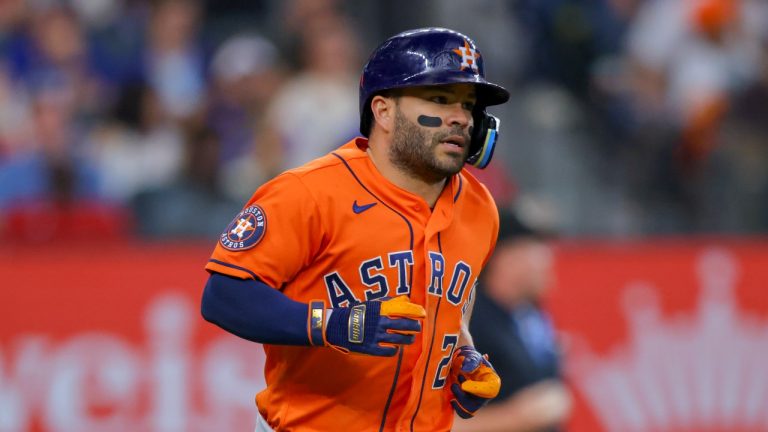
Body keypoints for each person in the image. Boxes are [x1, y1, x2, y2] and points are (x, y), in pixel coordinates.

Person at [200, 27, 510, 431]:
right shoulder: (309, 192)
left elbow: (454, 300)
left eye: (468, 106)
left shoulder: (480, 207)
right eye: (439, 99)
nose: (460, 118)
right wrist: (331, 324)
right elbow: (224, 295)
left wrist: (462, 355)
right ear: (382, 111)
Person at [453, 209, 572, 432]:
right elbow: (435, 422)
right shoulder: (469, 322)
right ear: (506, 257)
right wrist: (515, 418)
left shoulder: (529, 315)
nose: (549, 258)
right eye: (537, 247)